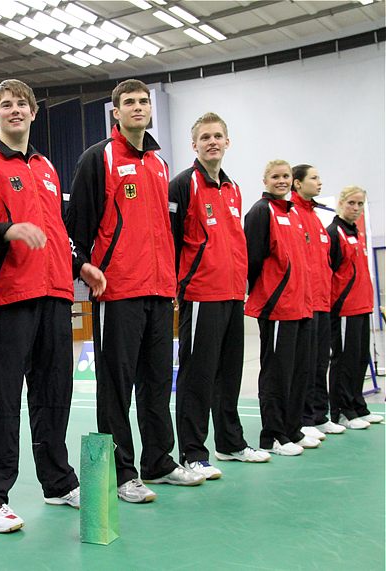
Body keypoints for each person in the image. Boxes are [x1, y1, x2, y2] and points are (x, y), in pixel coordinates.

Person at [0, 79, 105, 533]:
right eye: (5, 105)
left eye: (21, 104)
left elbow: (57, 230)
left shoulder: (47, 167)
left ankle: (58, 481)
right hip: (7, 296)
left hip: (55, 295)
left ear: (33, 112)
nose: (15, 110)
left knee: (54, 396)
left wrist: (80, 266)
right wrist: (5, 231)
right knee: (0, 400)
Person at [67, 79, 204, 505]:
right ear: (116, 112)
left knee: (158, 382)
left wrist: (172, 280)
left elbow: (166, 230)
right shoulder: (98, 157)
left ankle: (158, 462)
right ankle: (122, 472)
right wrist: (83, 266)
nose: (138, 107)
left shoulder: (160, 164)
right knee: (116, 387)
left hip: (160, 291)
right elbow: (76, 226)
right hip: (118, 290)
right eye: (129, 102)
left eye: (144, 101)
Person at [169, 113, 270, 478]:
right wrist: (177, 285)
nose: (212, 142)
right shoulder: (183, 184)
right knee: (198, 375)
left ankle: (230, 443)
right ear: (194, 145)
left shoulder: (233, 188)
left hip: (231, 294)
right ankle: (193, 452)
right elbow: (170, 238)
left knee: (229, 375)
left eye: (217, 136)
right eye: (205, 137)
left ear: (228, 142)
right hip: (200, 293)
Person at [244, 160, 319, 456]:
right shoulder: (261, 211)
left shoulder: (294, 213)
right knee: (277, 374)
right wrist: (267, 293)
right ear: (265, 180)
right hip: (277, 307)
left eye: (286, 176)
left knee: (299, 372)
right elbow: (253, 259)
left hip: (301, 306)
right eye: (275, 176)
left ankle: (292, 429)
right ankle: (273, 436)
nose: (282, 181)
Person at [290, 165, 346, 437]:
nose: (319, 182)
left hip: (323, 302)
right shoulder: (292, 213)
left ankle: (320, 415)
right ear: (298, 183)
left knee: (321, 362)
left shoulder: (316, 217)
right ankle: (304, 419)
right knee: (306, 365)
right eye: (314, 178)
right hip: (305, 302)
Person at [327, 186, 383, 429]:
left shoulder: (357, 233)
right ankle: (342, 412)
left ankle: (358, 406)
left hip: (362, 306)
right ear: (341, 203)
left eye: (360, 204)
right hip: (344, 309)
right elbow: (328, 272)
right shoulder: (334, 232)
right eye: (351, 203)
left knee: (360, 359)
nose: (356, 208)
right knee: (344, 361)